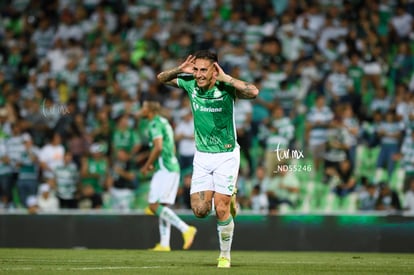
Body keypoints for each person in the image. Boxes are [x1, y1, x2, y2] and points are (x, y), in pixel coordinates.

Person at [157, 50, 259, 268]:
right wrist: (179, 69)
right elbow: (161, 78)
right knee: (201, 211)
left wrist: (228, 78)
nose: (199, 74)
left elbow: (253, 91)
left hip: (226, 155)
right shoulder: (189, 83)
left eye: (204, 70)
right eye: (197, 69)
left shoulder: (226, 87)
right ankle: (230, 196)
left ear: (215, 70)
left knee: (220, 208)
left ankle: (224, 256)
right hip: (202, 156)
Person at [140, 100, 197, 252]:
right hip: (166, 165)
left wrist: (147, 165)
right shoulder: (164, 122)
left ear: (150, 110)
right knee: (162, 206)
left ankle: (186, 229)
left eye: (144, 107)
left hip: (166, 168)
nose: (141, 110)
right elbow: (169, 146)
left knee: (153, 205)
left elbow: (158, 147)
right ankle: (165, 244)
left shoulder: (153, 124)